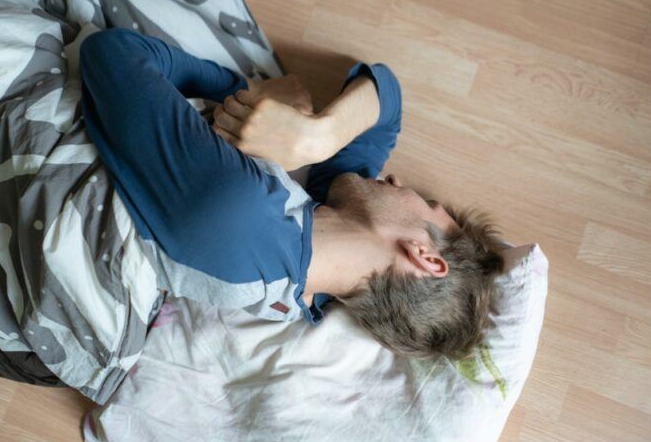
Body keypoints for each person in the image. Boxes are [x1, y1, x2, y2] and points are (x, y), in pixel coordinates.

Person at [80, 28, 505, 359]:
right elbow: (386, 100)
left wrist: (240, 93)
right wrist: (323, 136)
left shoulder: (243, 215)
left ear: (425, 258)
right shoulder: (310, 274)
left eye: (426, 203)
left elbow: (111, 55)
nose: (398, 181)